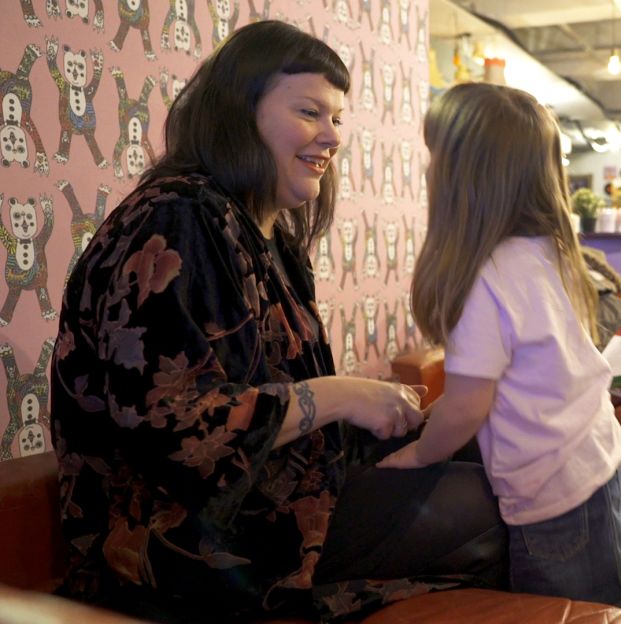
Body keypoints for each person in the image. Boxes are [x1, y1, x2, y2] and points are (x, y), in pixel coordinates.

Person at [50, 21, 506, 624]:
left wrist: (395, 417)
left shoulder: (266, 236)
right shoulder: (177, 218)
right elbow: (174, 433)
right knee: (492, 500)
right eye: (309, 112)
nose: (331, 136)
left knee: (503, 453)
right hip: (194, 543)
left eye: (337, 118)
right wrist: (339, 396)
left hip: (288, 505)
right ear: (241, 112)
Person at [376, 82, 621, 608]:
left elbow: (469, 406)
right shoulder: (549, 250)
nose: (429, 169)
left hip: (554, 497)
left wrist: (416, 454)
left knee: (568, 614)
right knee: (617, 604)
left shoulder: (486, 278)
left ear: (463, 175)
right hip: (595, 461)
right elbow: (518, 375)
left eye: (435, 155)